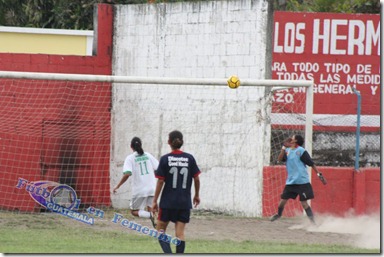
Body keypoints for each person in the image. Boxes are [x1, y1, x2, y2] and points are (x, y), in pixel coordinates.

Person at [152, 130, 201, 254]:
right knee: (180, 233)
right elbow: (196, 178)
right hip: (184, 202)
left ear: (169, 142)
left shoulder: (164, 159)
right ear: (181, 142)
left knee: (160, 230)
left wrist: (154, 201)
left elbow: (160, 182)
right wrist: (196, 195)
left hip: (168, 201)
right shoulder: (189, 158)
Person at [271, 134, 321, 224]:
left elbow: (311, 164)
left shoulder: (301, 151)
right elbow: (279, 159)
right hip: (291, 182)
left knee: (304, 203)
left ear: (295, 141)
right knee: (282, 201)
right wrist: (283, 147)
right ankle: (278, 215)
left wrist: (318, 174)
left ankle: (313, 223)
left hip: (302, 181)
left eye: (293, 137)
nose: (290, 138)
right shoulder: (287, 150)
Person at [113, 137, 158, 228]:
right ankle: (158, 231)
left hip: (139, 190)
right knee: (152, 209)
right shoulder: (148, 155)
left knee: (134, 211)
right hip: (152, 188)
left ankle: (151, 215)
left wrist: (117, 186)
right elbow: (158, 169)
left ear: (131, 146)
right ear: (141, 145)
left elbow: (127, 174)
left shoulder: (130, 158)